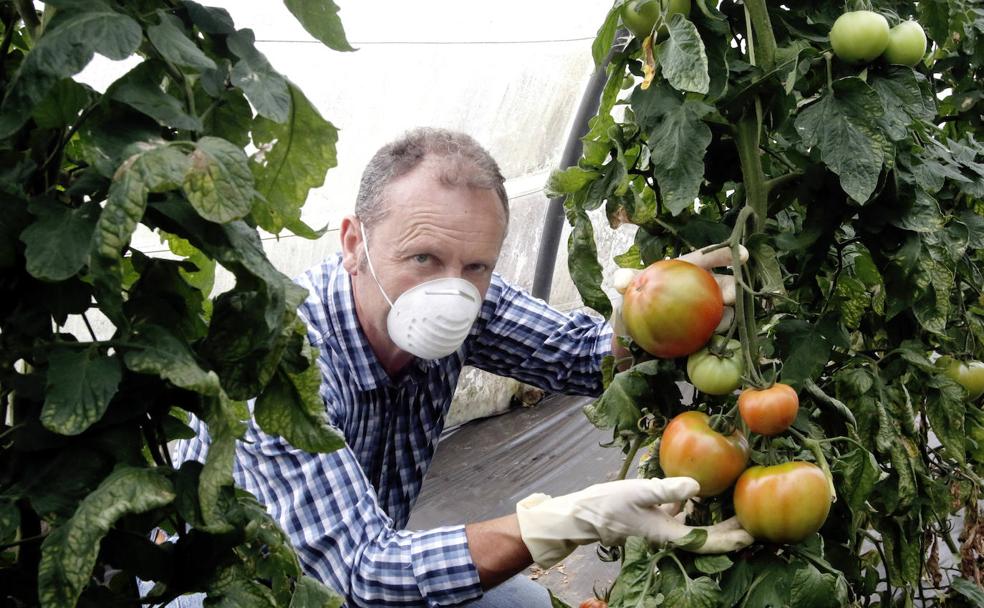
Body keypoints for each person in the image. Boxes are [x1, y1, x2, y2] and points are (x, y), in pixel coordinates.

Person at [171, 128, 751, 607]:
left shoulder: (467, 303)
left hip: (367, 556)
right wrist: (564, 521)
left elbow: (581, 356)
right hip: (233, 585)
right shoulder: (278, 364)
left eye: (477, 264)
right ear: (353, 244)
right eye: (422, 257)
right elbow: (361, 575)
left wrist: (659, 310)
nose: (451, 289)